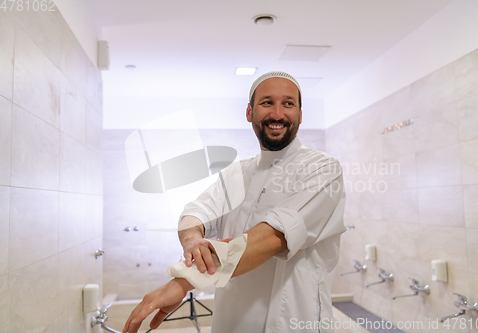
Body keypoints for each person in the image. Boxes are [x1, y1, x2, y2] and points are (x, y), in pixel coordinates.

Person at [122, 71, 346, 333]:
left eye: (288, 103)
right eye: (266, 103)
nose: (277, 114)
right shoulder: (236, 173)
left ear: (299, 113)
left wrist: (183, 282)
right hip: (232, 321)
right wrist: (193, 240)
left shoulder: (322, 169)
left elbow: (273, 237)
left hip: (293, 321)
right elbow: (196, 212)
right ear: (250, 112)